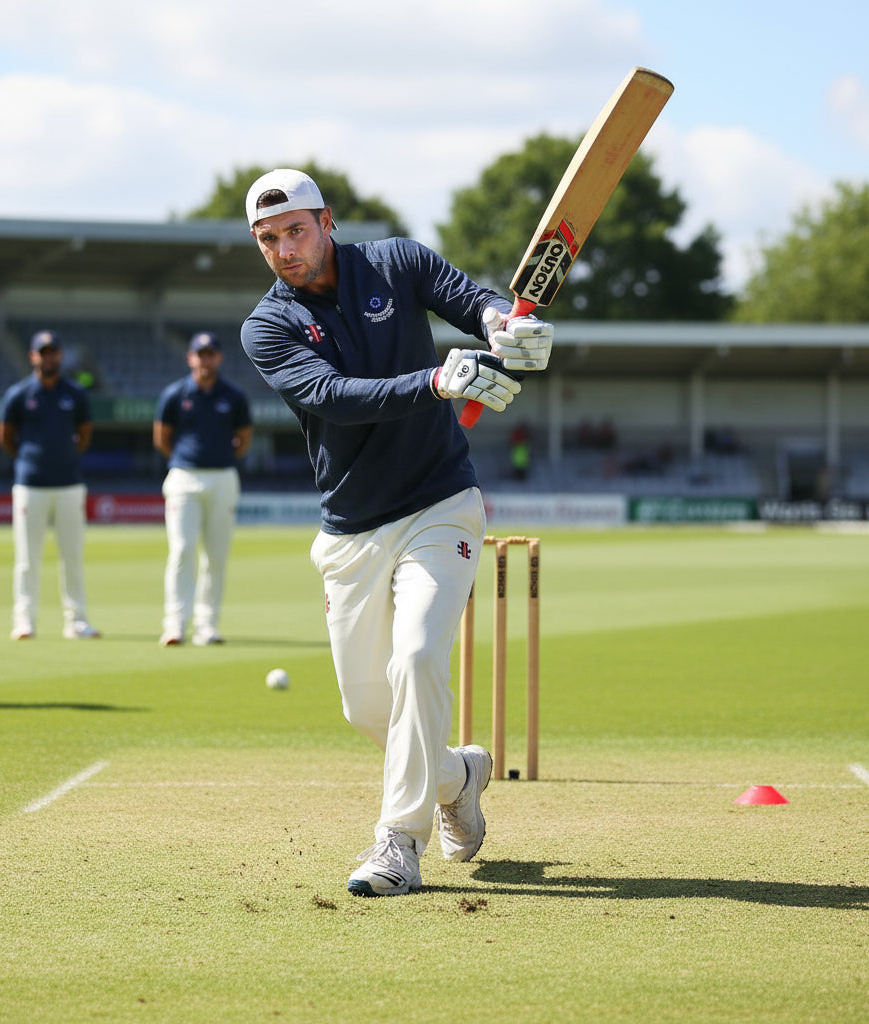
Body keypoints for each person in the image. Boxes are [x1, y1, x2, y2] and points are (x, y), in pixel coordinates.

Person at [240, 169, 553, 897]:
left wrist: (504, 324)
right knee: (367, 710)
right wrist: (436, 383)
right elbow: (330, 398)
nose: (284, 249)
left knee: (415, 658)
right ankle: (461, 775)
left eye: (295, 230)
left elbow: (469, 299)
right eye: (267, 239)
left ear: (328, 221)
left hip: (440, 504)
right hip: (350, 530)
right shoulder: (267, 325)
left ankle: (397, 842)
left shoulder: (395, 262)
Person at [0, 329, 100, 640]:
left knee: (72, 557)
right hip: (31, 485)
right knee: (27, 558)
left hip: (69, 484)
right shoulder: (18, 394)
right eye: (43, 352)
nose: (49, 356)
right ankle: (24, 621)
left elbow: (84, 434)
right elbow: (5, 437)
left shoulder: (75, 393)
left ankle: (77, 622)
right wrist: (30, 461)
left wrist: (63, 459)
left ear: (60, 355)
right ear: (33, 356)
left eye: (53, 351)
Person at [153, 332, 254, 646]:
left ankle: (207, 625)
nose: (205, 359)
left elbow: (244, 438)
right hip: (184, 477)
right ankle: (175, 624)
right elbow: (162, 438)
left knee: (216, 556)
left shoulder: (234, 395)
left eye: (210, 354)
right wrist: (187, 460)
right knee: (182, 552)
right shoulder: (175, 394)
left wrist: (222, 460)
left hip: (223, 477)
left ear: (218, 358)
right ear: (190, 358)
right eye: (200, 354)